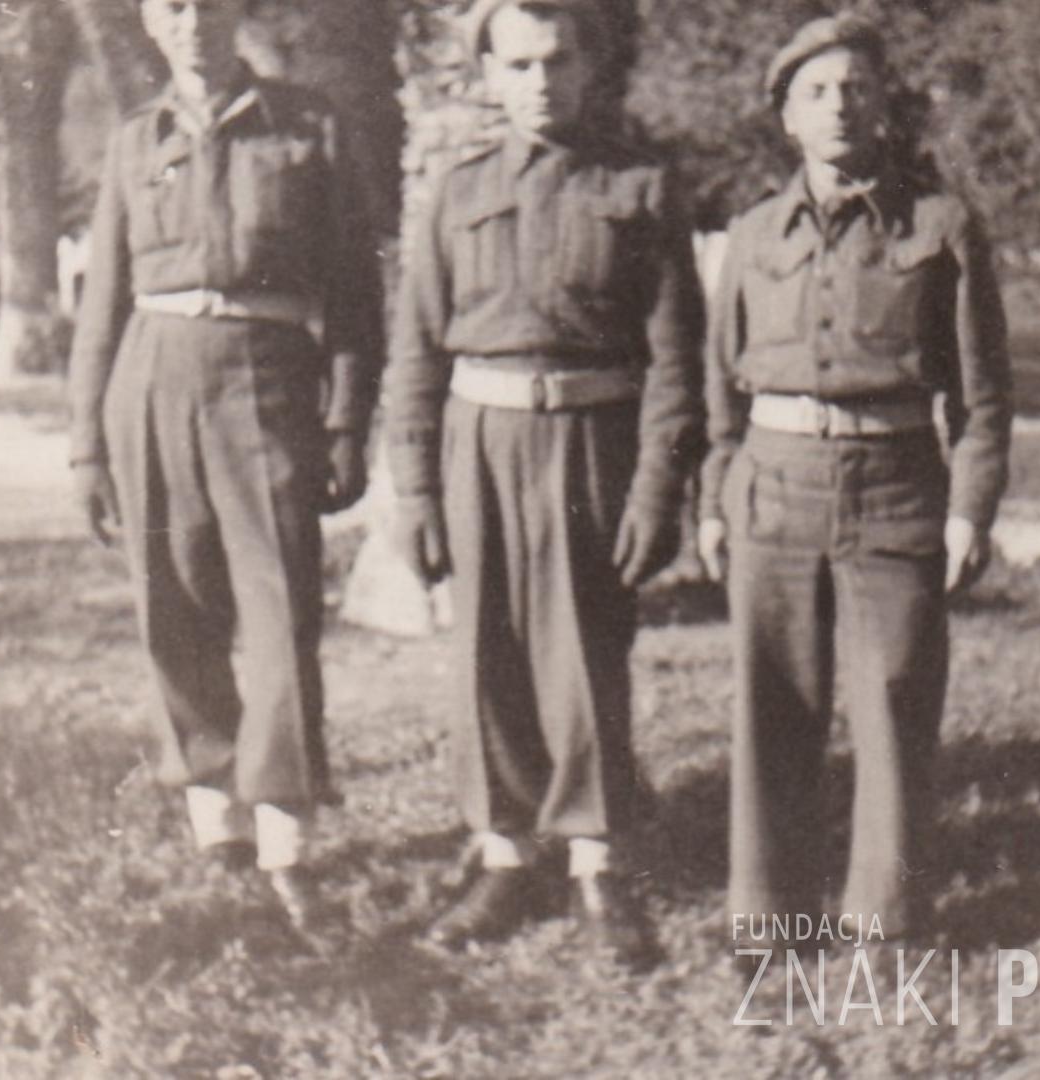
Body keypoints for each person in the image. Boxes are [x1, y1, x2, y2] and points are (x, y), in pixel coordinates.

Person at [386, 0, 704, 959]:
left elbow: (676, 361)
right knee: (485, 653)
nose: (540, 82)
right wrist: (414, 489)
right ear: (489, 73)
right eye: (518, 65)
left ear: (589, 65)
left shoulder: (641, 187)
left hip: (592, 439)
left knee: (585, 650)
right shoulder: (455, 189)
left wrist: (657, 489)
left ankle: (597, 863)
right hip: (479, 442)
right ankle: (505, 857)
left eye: (557, 60)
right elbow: (415, 352)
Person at [67, 0, 382, 933]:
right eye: (172, 6)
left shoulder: (309, 124)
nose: (192, 22)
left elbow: (355, 290)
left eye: (209, 4)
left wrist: (346, 421)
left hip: (267, 373)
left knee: (280, 606)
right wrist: (86, 443)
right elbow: (102, 303)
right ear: (147, 19)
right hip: (152, 376)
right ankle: (218, 824)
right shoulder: (136, 139)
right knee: (173, 598)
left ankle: (284, 837)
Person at [699, 16, 1012, 946]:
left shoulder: (942, 226)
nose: (838, 106)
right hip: (775, 484)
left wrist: (969, 509)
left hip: (896, 486)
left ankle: (887, 924)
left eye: (856, 88)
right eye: (816, 91)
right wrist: (716, 496)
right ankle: (770, 919)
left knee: (895, 702)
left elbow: (984, 395)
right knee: (772, 702)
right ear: (787, 117)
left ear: (883, 106)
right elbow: (721, 390)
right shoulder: (752, 234)